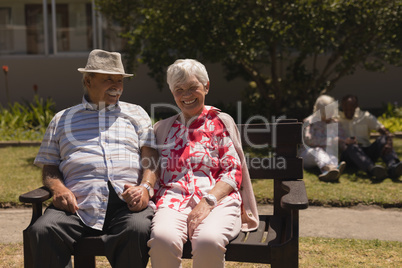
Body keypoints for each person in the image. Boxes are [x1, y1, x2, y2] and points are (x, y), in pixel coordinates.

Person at [27, 49, 159, 268]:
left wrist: (145, 187)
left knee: (137, 228)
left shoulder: (136, 114)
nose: (116, 86)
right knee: (43, 230)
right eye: (108, 79)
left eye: (120, 80)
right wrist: (58, 189)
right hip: (77, 207)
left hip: (126, 205)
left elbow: (151, 157)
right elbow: (49, 167)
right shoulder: (62, 119)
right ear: (88, 81)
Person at [148, 59, 259, 268]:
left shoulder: (220, 122)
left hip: (217, 201)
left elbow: (232, 170)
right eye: (179, 90)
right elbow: (154, 172)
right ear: (172, 93)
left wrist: (208, 201)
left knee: (208, 241)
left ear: (206, 86)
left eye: (193, 88)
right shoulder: (163, 128)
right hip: (173, 202)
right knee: (162, 240)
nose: (186, 95)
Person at [339, 94, 402, 181]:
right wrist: (345, 141)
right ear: (342, 106)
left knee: (383, 139)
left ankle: (393, 167)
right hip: (349, 154)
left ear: (356, 106)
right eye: (345, 109)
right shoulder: (337, 119)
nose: (348, 111)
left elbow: (385, 132)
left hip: (366, 152)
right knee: (352, 147)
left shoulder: (366, 116)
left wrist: (389, 143)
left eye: (350, 108)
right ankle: (372, 170)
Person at [299, 95, 346, 182]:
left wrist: (344, 142)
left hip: (327, 153)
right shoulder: (310, 122)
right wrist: (331, 140)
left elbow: (342, 139)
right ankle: (331, 168)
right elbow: (309, 140)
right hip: (308, 154)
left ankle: (329, 173)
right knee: (318, 150)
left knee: (332, 150)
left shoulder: (335, 122)